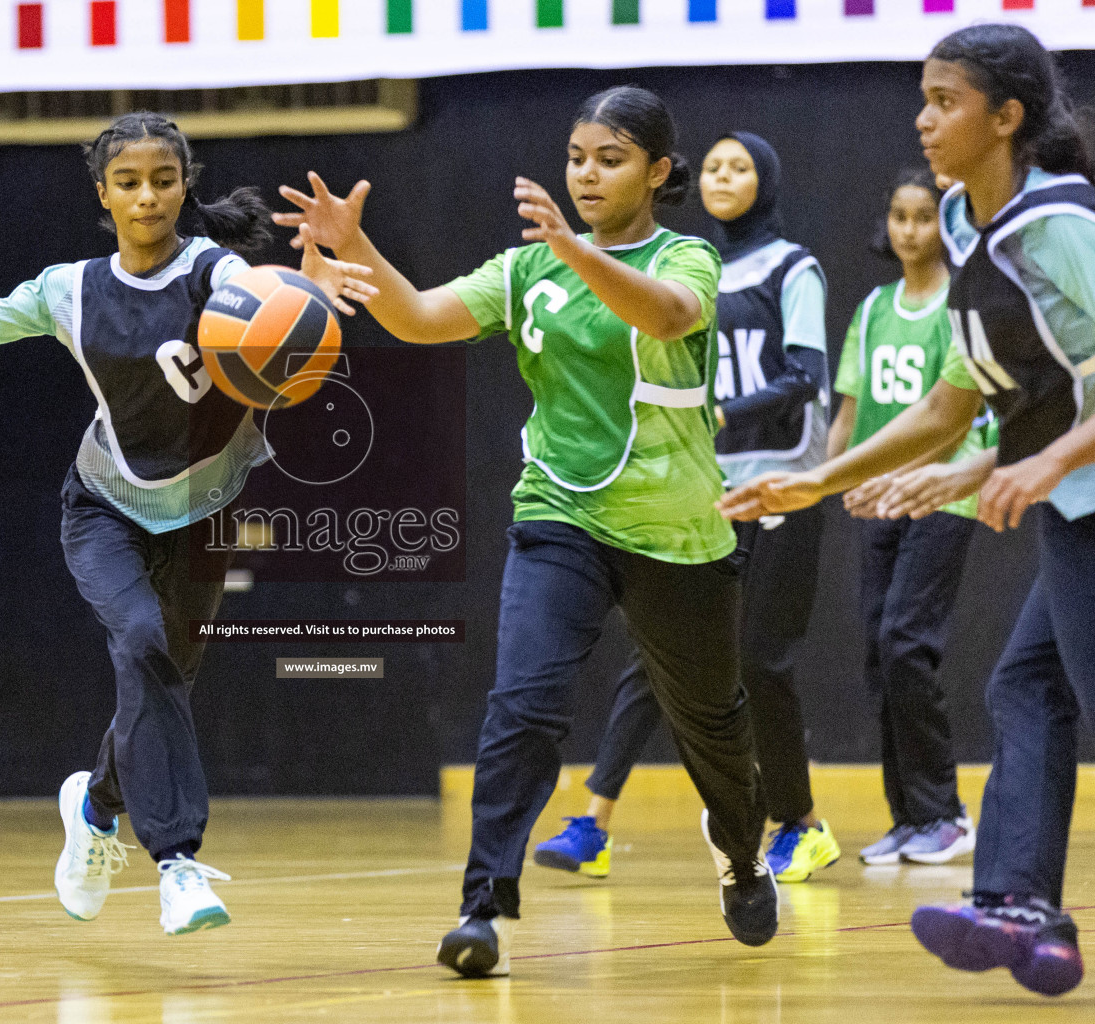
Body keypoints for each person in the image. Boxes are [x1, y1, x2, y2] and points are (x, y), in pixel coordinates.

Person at [275, 85, 776, 978]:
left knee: (714, 724)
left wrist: (575, 251)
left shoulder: (688, 255)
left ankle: (740, 852)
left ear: (659, 173)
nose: (587, 173)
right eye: (579, 156)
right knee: (524, 706)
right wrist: (358, 251)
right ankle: (483, 907)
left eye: (610, 158)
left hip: (678, 531)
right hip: (559, 514)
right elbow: (421, 317)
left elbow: (664, 316)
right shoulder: (526, 270)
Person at [0, 112, 375, 936]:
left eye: (163, 179)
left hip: (205, 514)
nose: (147, 196)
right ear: (102, 193)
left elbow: (260, 303)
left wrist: (303, 302)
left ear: (186, 185)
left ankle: (95, 808)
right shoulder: (67, 290)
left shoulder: (218, 273)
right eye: (128, 182)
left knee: (160, 682)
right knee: (144, 644)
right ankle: (177, 862)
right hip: (106, 509)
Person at [718, 24, 1095, 996]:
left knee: (1047, 690)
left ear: (1007, 117)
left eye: (946, 101)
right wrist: (821, 481)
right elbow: (954, 402)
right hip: (1076, 501)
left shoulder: (1057, 222)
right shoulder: (976, 231)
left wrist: (1041, 457)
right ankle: (1023, 912)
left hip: (1085, 499)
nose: (925, 120)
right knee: (1029, 688)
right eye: (922, 98)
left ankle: (1021, 904)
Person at [535, 132, 839, 884]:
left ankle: (802, 823)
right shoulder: (687, 265)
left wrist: (724, 412)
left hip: (781, 483)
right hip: (706, 487)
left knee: (762, 662)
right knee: (652, 657)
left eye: (739, 167)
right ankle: (594, 824)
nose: (722, 177)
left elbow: (805, 377)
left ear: (764, 180)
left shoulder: (794, 265)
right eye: (713, 167)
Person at [830, 170, 987, 867]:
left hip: (941, 494)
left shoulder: (963, 303)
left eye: (923, 216)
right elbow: (847, 416)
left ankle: (946, 813)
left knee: (905, 642)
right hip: (876, 500)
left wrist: (904, 476)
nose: (910, 229)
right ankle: (909, 816)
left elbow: (954, 419)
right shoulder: (872, 310)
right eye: (899, 216)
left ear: (941, 226)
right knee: (877, 651)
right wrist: (814, 483)